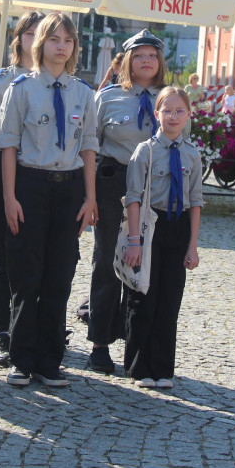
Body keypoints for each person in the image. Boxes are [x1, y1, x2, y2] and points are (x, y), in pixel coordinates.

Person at [0, 12, 99, 388]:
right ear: (40, 44)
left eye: (68, 40)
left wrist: (90, 198)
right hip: (30, 184)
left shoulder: (83, 93)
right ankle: (21, 358)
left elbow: (88, 147)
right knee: (27, 275)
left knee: (59, 276)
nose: (61, 46)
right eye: (54, 39)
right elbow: (7, 146)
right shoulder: (21, 89)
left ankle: (50, 360)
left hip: (69, 187)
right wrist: (9, 197)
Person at [86, 29, 166, 374]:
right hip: (112, 183)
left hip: (152, 187)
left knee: (145, 262)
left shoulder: (169, 98)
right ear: (127, 61)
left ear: (160, 62)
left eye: (151, 55)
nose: (145, 61)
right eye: (139, 55)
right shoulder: (107, 98)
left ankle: (137, 344)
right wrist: (87, 196)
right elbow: (90, 147)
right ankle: (100, 343)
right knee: (106, 261)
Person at [0, 11, 44, 366]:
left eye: (43, 33)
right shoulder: (1, 81)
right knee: (3, 254)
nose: (38, 40)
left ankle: (31, 324)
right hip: (2, 171)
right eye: (30, 33)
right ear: (18, 40)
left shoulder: (58, 83)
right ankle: (1, 328)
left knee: (38, 255)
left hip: (41, 177)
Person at [121, 87, 203, 388]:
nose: (173, 116)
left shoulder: (192, 154)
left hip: (177, 227)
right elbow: (132, 197)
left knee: (170, 299)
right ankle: (140, 366)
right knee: (143, 295)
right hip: (148, 225)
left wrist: (192, 246)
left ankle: (163, 368)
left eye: (179, 111)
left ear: (188, 115)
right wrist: (134, 240)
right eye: (167, 111)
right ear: (156, 115)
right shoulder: (146, 151)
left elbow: (195, 202)